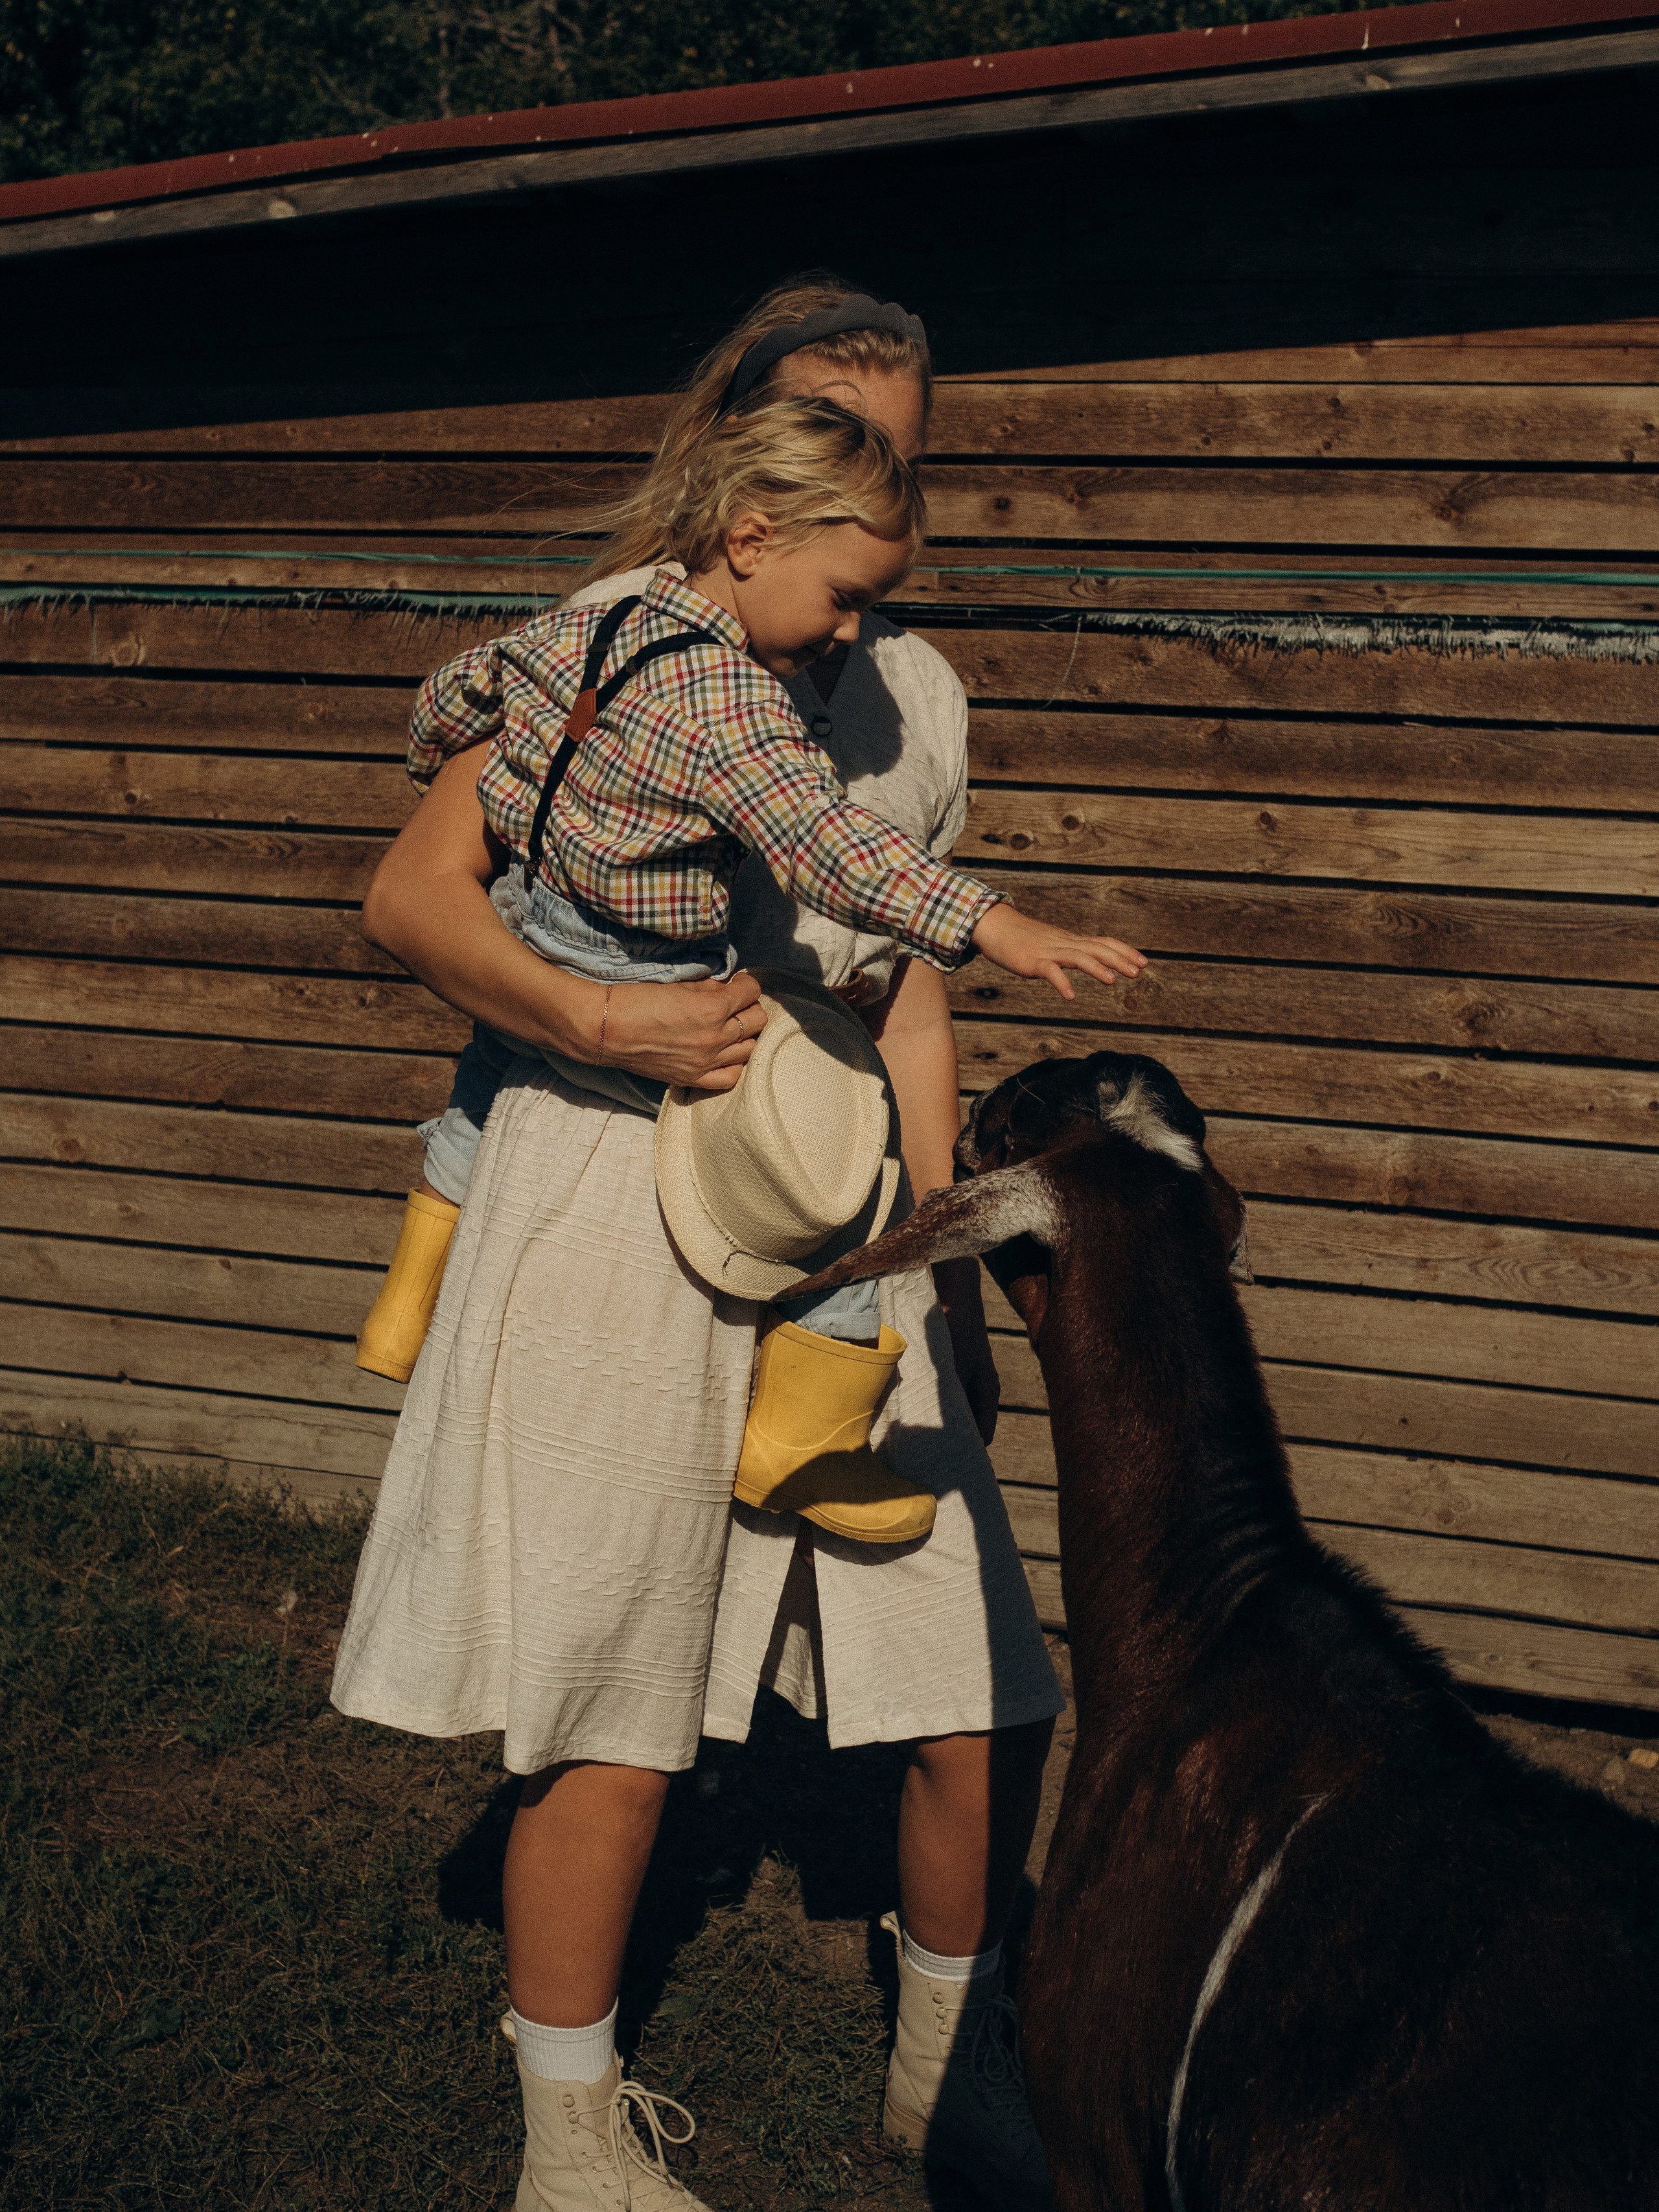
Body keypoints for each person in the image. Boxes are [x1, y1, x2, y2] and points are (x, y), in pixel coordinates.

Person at [330, 278, 1144, 2212]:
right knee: (614, 1685)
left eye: (902, 455)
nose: (879, 483)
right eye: (837, 442)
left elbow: (902, 979)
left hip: (840, 1191)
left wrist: (931, 1250)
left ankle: (955, 2071)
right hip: (626, 1179)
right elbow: (413, 892)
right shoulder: (616, 646)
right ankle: (569, 2139)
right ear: (745, 470)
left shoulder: (913, 686)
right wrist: (599, 1016)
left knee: (969, 1673)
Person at [355, 393, 1141, 1547]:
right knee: (841, 1190)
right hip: (652, 975)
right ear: (753, 538)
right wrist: (990, 922)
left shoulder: (589, 631)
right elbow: (829, 844)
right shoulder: (730, 699)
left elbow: (455, 696)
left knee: (483, 1075)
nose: (846, 632)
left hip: (534, 925)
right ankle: (802, 1441)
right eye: (844, 597)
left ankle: (408, 1300)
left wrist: (457, 755)